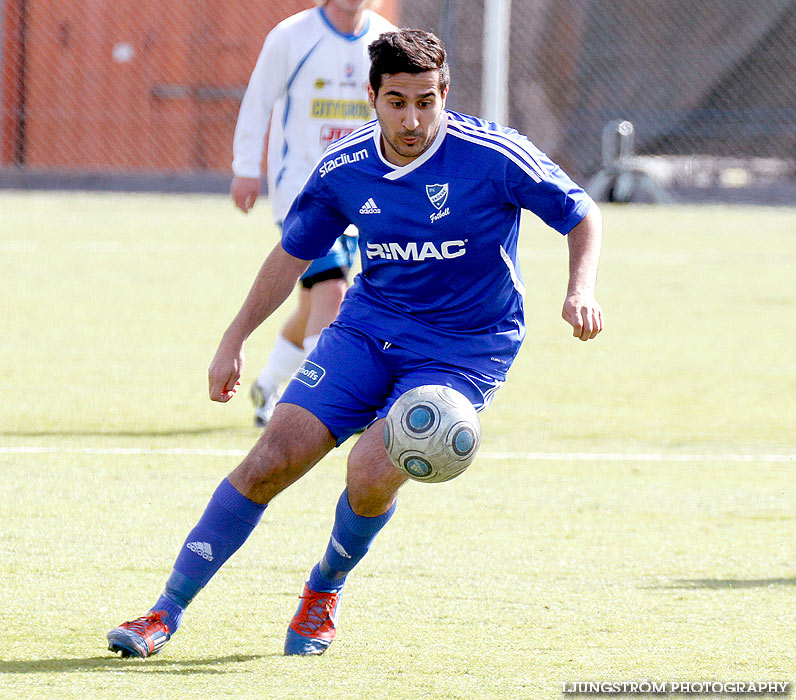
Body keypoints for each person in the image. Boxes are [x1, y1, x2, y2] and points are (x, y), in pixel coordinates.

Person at [107, 28, 604, 659]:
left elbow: (582, 212)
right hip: (368, 330)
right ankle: (163, 613)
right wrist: (233, 339)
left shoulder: (495, 154)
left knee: (370, 472)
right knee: (271, 461)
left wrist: (579, 290)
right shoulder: (345, 169)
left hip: (465, 347)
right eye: (397, 102)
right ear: (372, 96)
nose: (413, 119)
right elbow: (291, 256)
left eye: (427, 101)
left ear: (445, 93)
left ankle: (323, 590)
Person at [231, 0, 395, 427]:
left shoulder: (384, 39)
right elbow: (258, 101)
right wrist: (245, 169)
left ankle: (268, 385)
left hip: (363, 193)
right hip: (303, 192)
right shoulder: (290, 36)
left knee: (310, 301)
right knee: (332, 292)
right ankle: (322, 406)